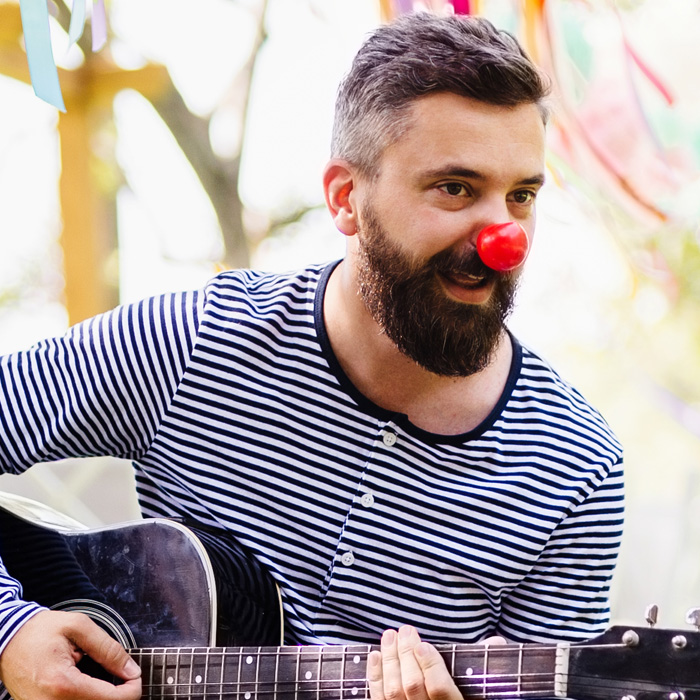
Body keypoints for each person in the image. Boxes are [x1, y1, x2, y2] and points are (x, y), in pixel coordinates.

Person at [0, 11, 624, 700]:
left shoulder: (578, 468)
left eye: (521, 196)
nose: (502, 240)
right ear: (346, 198)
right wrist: (10, 631)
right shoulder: (197, 340)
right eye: (456, 188)